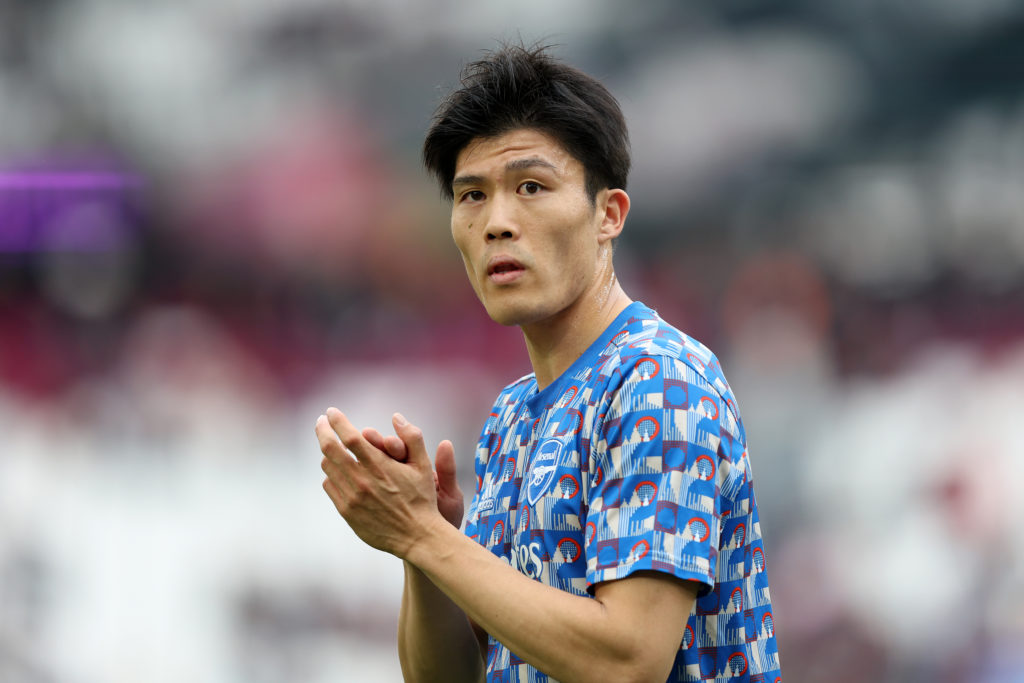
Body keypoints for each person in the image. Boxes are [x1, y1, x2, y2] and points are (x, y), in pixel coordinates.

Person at [315, 43, 781, 682]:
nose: (497, 222)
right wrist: (420, 546)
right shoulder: (512, 415)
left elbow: (628, 661)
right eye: (471, 195)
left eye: (531, 187)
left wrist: (427, 535)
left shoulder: (657, 380)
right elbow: (447, 678)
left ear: (607, 214)